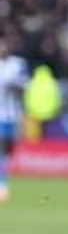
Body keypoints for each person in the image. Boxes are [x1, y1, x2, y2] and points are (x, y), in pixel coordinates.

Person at [0, 34, 25, 204]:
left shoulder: (17, 64)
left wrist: (16, 85)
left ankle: (3, 181)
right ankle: (2, 185)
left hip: (13, 115)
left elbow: (24, 86)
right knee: (1, 151)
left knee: (8, 152)